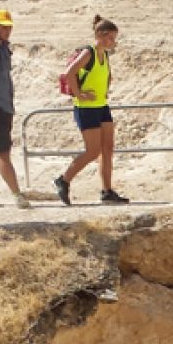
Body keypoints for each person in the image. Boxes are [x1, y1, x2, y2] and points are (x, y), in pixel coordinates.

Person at [53, 16, 126, 206]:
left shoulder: (105, 55)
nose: (113, 42)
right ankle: (64, 179)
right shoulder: (88, 52)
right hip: (86, 108)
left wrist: (105, 88)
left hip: (101, 106)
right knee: (93, 151)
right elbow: (69, 73)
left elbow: (107, 76)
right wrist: (79, 94)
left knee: (107, 148)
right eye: (111, 38)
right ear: (100, 35)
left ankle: (107, 191)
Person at [0, 9, 29, 210]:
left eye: (9, 27)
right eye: (3, 26)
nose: (7, 30)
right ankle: (17, 195)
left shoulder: (3, 48)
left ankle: (17, 194)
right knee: (2, 153)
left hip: (3, 106)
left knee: (3, 153)